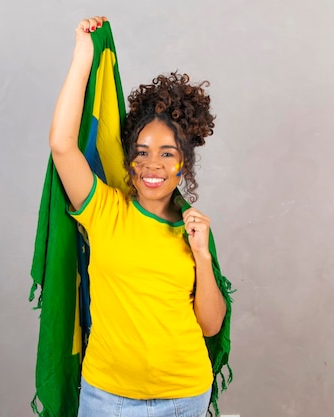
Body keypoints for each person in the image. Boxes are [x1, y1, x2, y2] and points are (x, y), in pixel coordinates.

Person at [49, 15, 227, 417]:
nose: (153, 165)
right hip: (105, 397)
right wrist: (83, 56)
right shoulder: (104, 209)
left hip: (183, 396)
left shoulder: (193, 228)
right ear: (129, 160)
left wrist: (202, 256)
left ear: (185, 163)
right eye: (142, 152)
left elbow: (211, 326)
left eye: (168, 154)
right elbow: (62, 145)